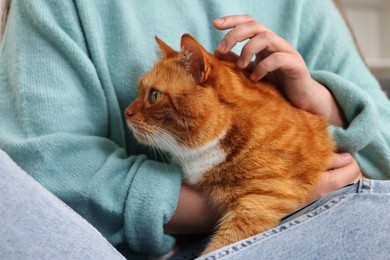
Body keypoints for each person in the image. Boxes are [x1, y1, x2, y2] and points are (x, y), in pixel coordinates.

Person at [0, 0, 389, 259]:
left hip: (307, 228)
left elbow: (382, 152)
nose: (130, 111)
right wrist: (264, 196)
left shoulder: (303, 4)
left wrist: (322, 102)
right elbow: (46, 170)